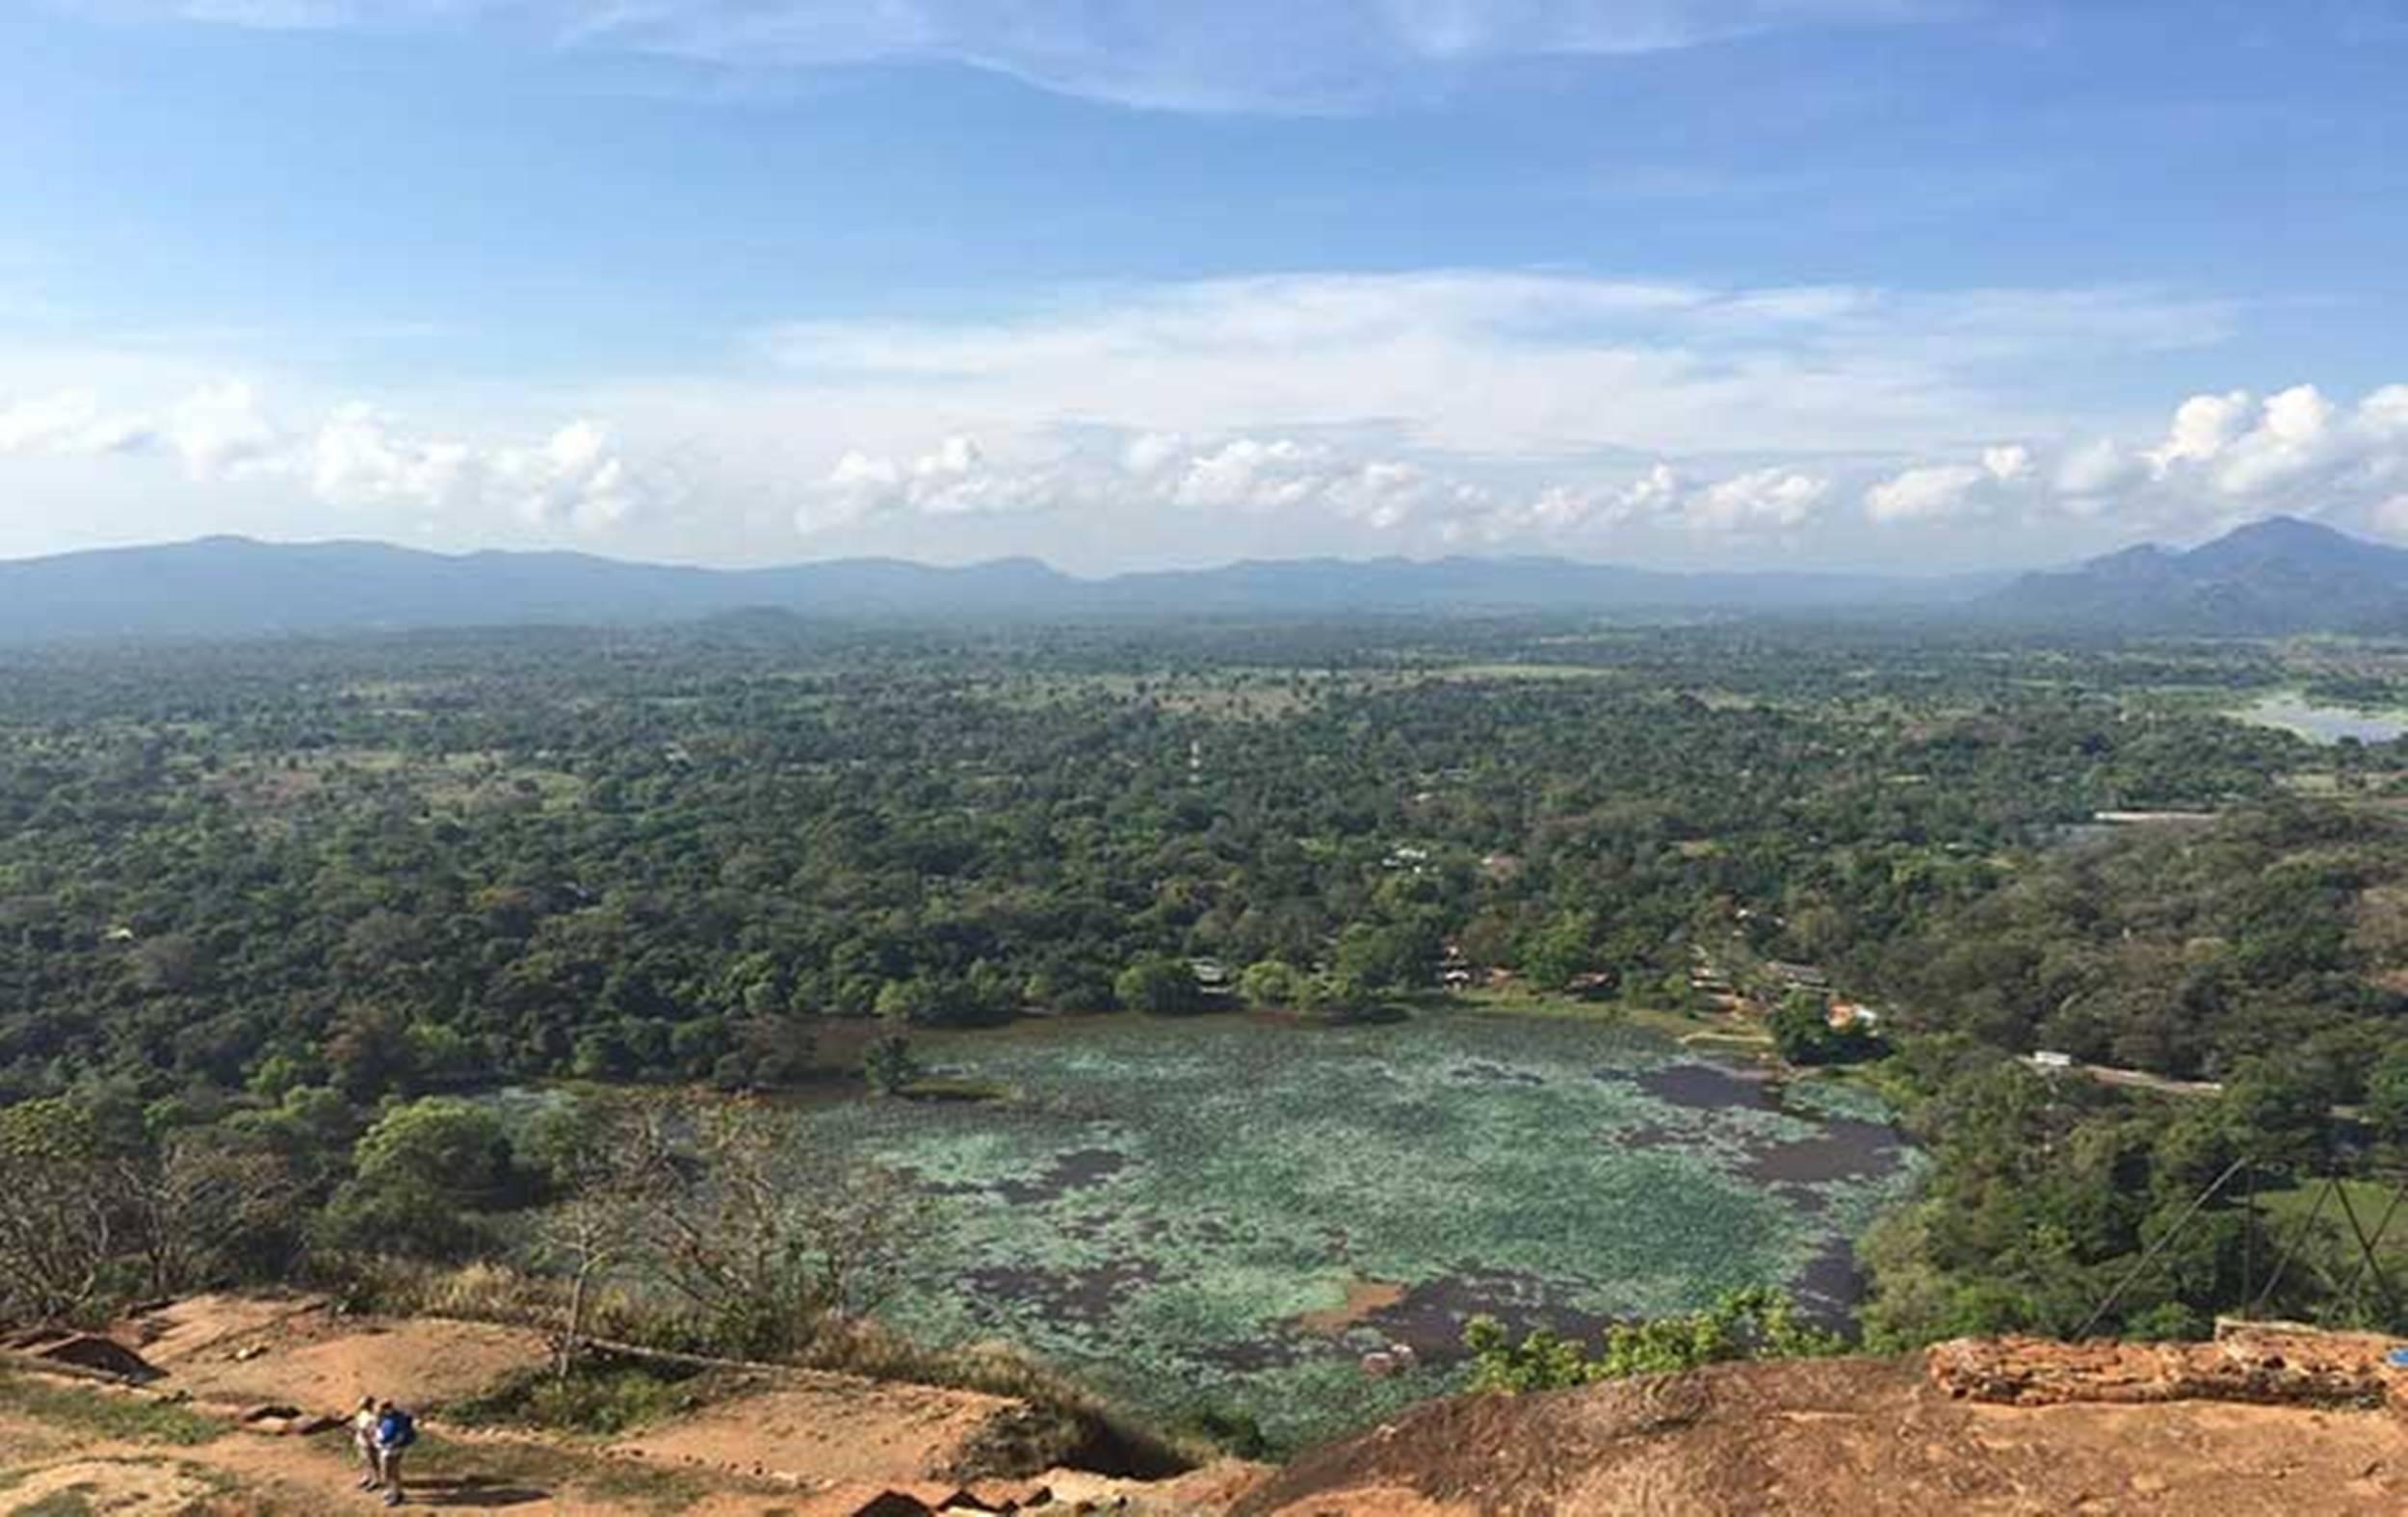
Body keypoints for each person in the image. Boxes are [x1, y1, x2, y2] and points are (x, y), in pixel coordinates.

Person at [372, 1399, 416, 1506]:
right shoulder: (390, 1417)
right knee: (393, 1472)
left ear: (388, 1408)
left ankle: (394, 1495)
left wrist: (387, 1445)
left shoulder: (398, 1420)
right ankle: (397, 1493)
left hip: (392, 1449)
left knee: (388, 1472)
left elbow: (399, 1436)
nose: (380, 1413)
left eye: (382, 1411)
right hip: (389, 1448)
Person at [350, 1396, 380, 1490]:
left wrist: (370, 1442)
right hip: (362, 1441)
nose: (359, 1405)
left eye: (361, 1404)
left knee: (372, 1462)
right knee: (365, 1460)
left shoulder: (372, 1417)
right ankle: (367, 1477)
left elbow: (370, 1431)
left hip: (368, 1442)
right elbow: (358, 1427)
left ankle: (375, 1480)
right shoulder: (362, 1414)